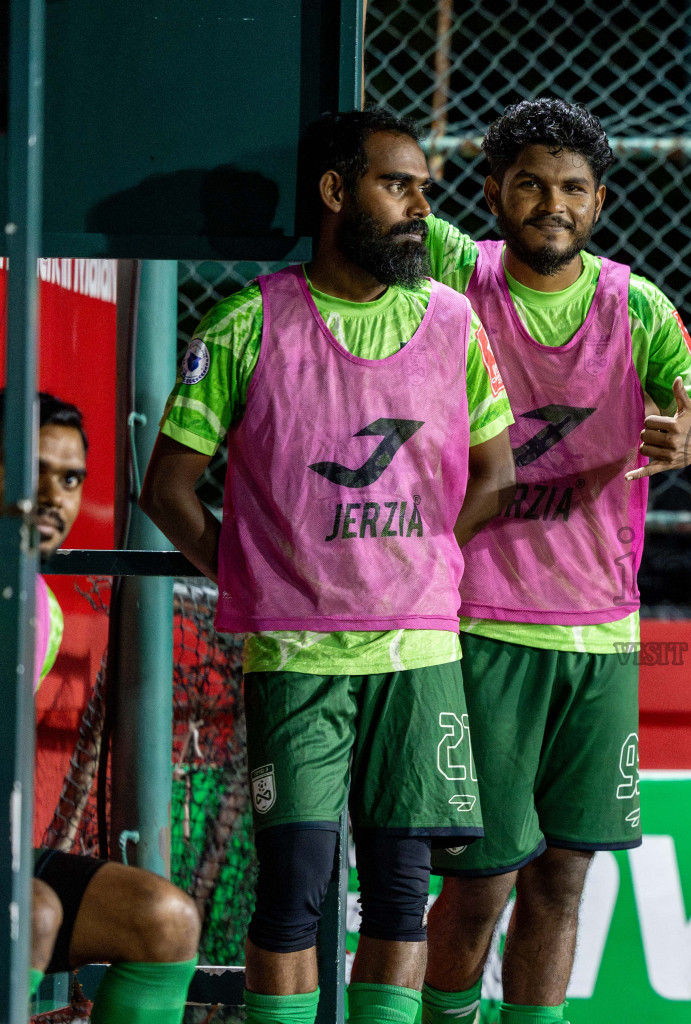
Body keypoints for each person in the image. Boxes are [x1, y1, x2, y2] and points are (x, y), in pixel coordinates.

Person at [140, 109, 516, 1024]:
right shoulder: (248, 323)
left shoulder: (454, 322)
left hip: (418, 655)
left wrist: (419, 561)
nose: (421, 207)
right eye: (399, 185)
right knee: (292, 894)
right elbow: (168, 489)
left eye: (426, 188)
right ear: (337, 192)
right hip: (296, 658)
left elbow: (498, 474)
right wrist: (255, 575)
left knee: (397, 893)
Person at [414, 97, 691, 1024]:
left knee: (564, 877)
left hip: (600, 636)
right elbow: (382, 192)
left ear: (598, 201)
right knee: (480, 880)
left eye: (571, 188)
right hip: (475, 623)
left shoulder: (635, 306)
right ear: (493, 191)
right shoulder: (454, 269)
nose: (550, 203)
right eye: (529, 184)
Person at [10, 392, 202, 1021]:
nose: (53, 495)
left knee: (164, 920)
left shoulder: (41, 610)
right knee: (32, 912)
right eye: (30, 468)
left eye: (69, 479)